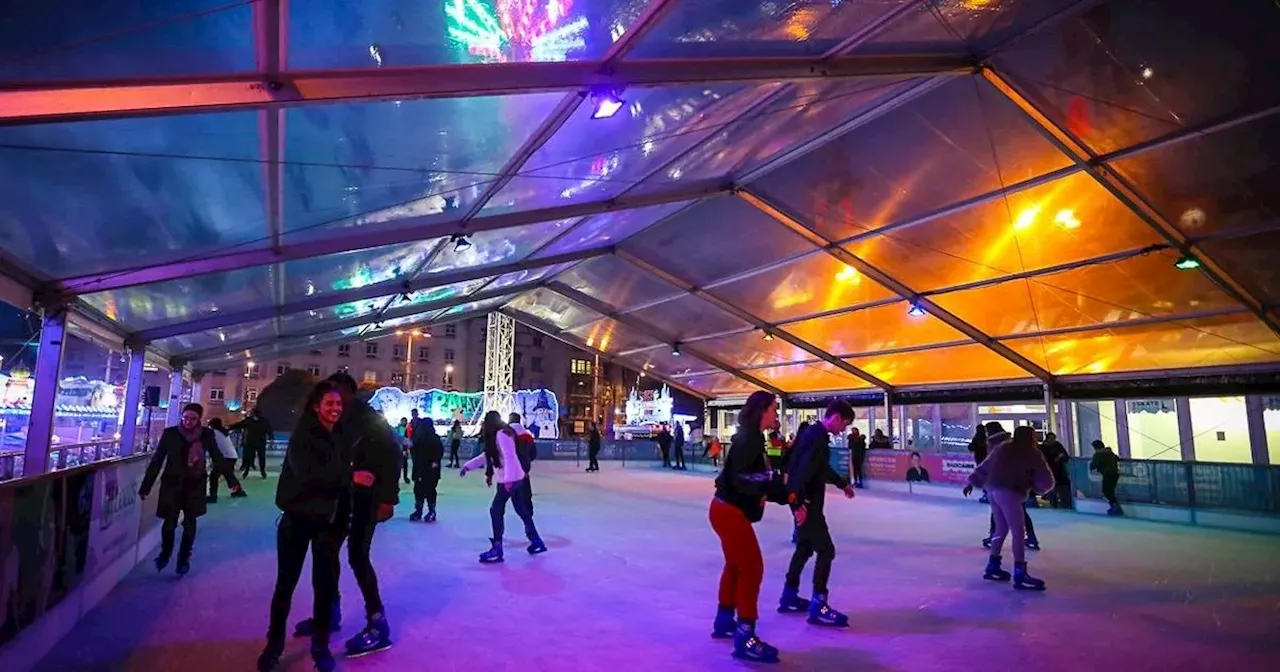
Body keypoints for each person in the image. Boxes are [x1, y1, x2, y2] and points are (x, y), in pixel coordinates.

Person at [257, 381, 370, 672]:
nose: (335, 409)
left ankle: (320, 645)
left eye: (338, 405)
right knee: (286, 584)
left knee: (325, 586)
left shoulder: (344, 435)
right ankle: (273, 646)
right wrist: (351, 476)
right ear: (316, 406)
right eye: (329, 404)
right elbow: (309, 473)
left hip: (329, 523)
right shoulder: (302, 436)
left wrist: (346, 516)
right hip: (298, 517)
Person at [293, 372, 401, 658]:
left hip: (367, 499)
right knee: (325, 552)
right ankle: (329, 612)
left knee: (357, 557)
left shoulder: (369, 419)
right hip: (341, 498)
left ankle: (378, 626)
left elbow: (393, 454)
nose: (335, 400)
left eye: (339, 393)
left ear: (351, 393)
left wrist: (388, 499)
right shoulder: (335, 421)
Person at [709, 391, 783, 663]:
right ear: (762, 410)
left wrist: (776, 489)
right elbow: (742, 479)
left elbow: (747, 477)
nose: (776, 414)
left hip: (724, 508)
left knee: (736, 565)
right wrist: (773, 489)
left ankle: (725, 619)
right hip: (729, 511)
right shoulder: (750, 439)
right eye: (774, 409)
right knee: (752, 568)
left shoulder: (753, 438)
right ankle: (745, 635)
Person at [139, 403, 243, 576]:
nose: (188, 421)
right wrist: (146, 486)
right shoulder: (170, 434)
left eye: (192, 419)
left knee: (189, 525)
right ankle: (165, 553)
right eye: (185, 417)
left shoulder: (206, 435)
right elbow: (157, 460)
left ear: (199, 419)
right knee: (169, 525)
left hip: (195, 485)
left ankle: (183, 559)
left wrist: (232, 481)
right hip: (172, 485)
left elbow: (217, 457)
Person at [777, 401, 856, 628]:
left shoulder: (812, 433)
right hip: (808, 503)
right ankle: (819, 604)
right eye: (845, 424)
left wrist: (842, 484)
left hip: (804, 501)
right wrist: (801, 502)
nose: (843, 430)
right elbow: (803, 469)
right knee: (826, 550)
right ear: (836, 417)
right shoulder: (817, 437)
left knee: (804, 547)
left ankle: (789, 595)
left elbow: (817, 468)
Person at [964, 425, 1055, 591]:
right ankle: (1020, 573)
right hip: (1009, 492)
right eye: (1034, 436)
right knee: (1018, 532)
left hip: (993, 490)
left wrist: (972, 482)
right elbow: (1046, 480)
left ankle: (993, 565)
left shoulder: (1004, 447)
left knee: (1000, 529)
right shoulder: (1032, 452)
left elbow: (985, 466)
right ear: (1030, 437)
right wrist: (1038, 487)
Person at [461, 411, 545, 563]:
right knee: (521, 509)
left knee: (496, 510)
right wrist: (468, 467)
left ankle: (497, 548)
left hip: (510, 479)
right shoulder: (498, 435)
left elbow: (510, 457)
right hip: (514, 478)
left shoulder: (502, 434)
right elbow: (487, 456)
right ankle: (536, 540)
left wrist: (508, 481)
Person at [409, 415, 444, 523]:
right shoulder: (419, 437)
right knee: (419, 490)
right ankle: (419, 510)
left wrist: (435, 462)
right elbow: (414, 450)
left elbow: (439, 452)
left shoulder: (433, 438)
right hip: (420, 468)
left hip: (430, 470)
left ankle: (431, 511)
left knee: (429, 490)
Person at [207, 418, 247, 503]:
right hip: (231, 456)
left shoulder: (214, 432)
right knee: (229, 475)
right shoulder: (223, 431)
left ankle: (213, 496)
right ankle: (238, 491)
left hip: (225, 457)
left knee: (214, 476)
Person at [507, 412, 538, 518]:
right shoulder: (527, 434)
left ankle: (498, 525)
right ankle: (528, 513)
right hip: (524, 468)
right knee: (525, 492)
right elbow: (533, 453)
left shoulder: (506, 433)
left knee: (501, 497)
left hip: (509, 469)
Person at [231, 408, 273, 479]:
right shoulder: (260, 421)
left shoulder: (254, 420)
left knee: (259, 457)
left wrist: (230, 427)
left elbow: (240, 424)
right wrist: (270, 436)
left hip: (256, 442)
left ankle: (260, 472)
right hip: (255, 442)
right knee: (254, 457)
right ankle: (250, 471)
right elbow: (240, 424)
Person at [1089, 439, 1123, 516]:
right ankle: (1115, 507)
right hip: (1115, 473)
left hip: (1107, 474)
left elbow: (1093, 465)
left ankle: (1115, 507)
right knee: (1110, 491)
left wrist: (1092, 466)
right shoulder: (1110, 452)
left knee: (1106, 491)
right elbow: (1117, 458)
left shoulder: (1098, 454)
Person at [1039, 432, 1071, 508]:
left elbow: (1065, 457)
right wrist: (1057, 458)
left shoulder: (1057, 445)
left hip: (1059, 473)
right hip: (1050, 473)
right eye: (1051, 439)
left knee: (1063, 491)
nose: (1053, 440)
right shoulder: (1042, 448)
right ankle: (1053, 505)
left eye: (1054, 439)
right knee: (1052, 492)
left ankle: (1064, 505)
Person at [968, 425, 989, 503]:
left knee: (983, 477)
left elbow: (972, 448)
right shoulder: (986, 439)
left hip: (980, 460)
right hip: (987, 460)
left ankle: (986, 493)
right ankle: (987, 493)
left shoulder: (976, 438)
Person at [397, 416, 412, 485]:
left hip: (404, 448)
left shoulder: (408, 428)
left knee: (405, 464)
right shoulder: (397, 429)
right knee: (398, 464)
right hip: (398, 448)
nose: (404, 422)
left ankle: (405, 477)